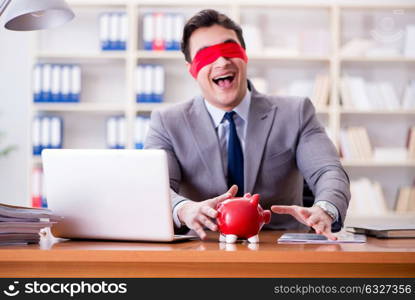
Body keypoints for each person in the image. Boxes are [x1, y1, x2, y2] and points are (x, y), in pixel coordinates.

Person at [145, 9, 350, 241]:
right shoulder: (167, 122)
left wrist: (324, 209)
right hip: (203, 245)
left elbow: (328, 171)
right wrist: (183, 208)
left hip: (280, 246)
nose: (221, 61)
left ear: (244, 56)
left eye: (229, 49)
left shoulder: (296, 112)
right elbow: (156, 188)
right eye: (206, 54)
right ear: (191, 69)